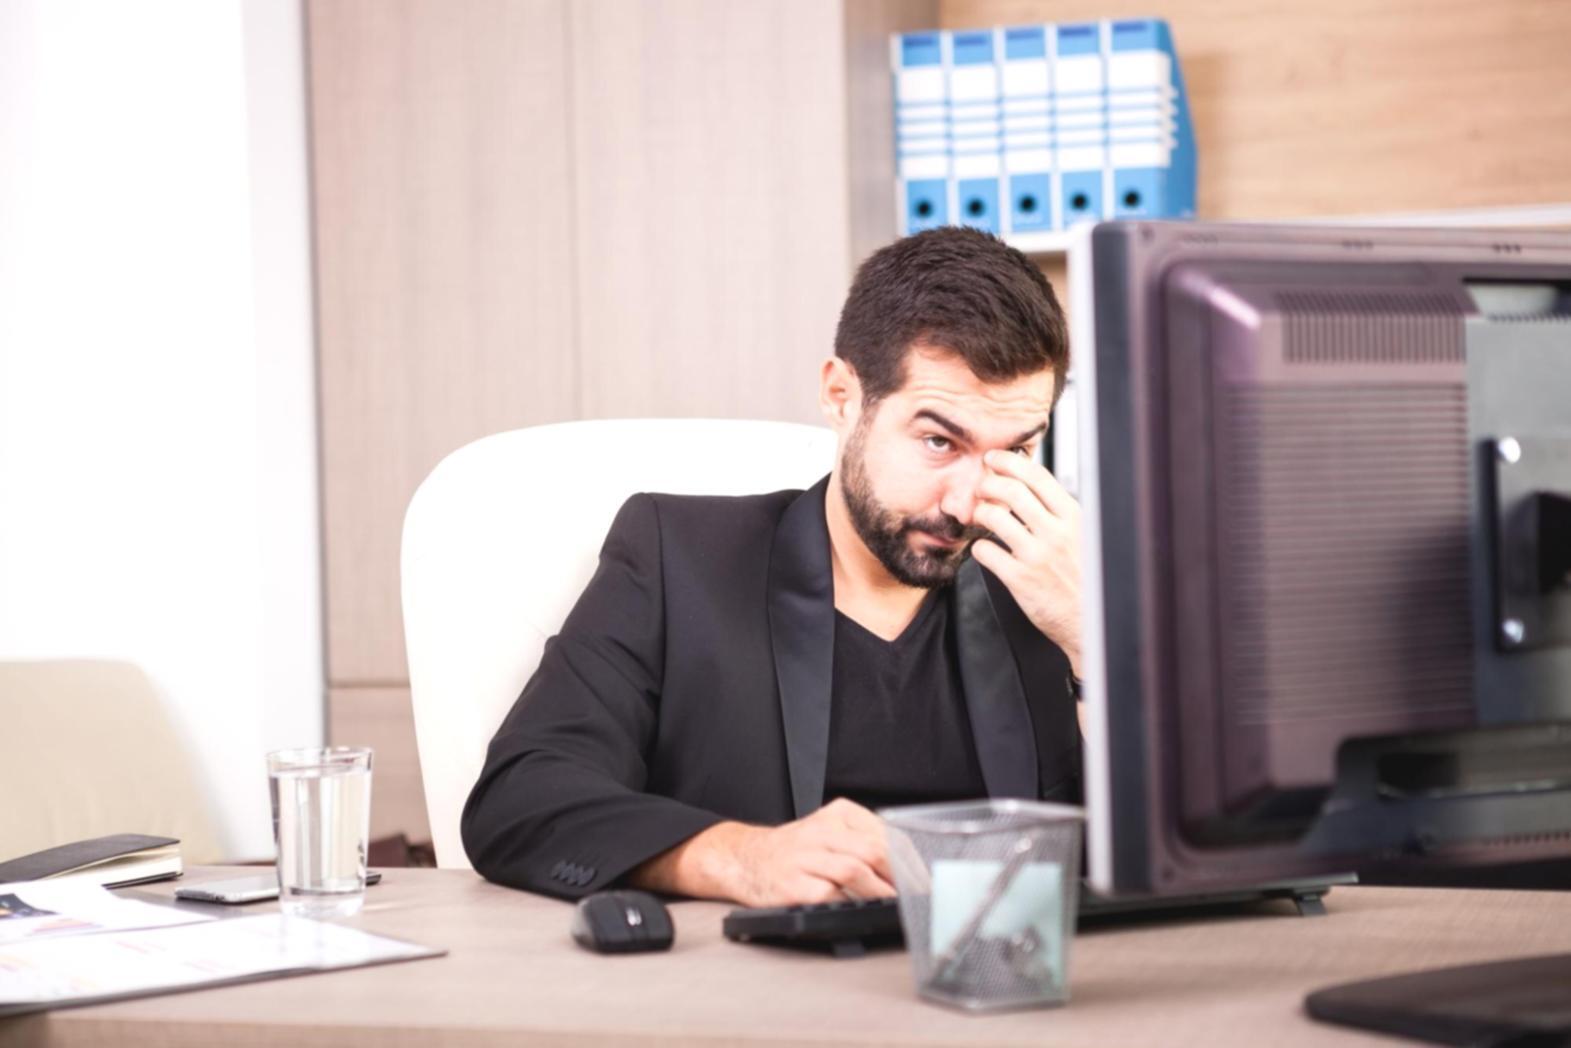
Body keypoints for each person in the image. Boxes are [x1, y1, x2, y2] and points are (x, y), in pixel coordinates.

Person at [462, 226, 1082, 906]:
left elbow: (1184, 838)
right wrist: (737, 857)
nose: (968, 505)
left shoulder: (1055, 587)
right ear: (842, 396)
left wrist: (1093, 642)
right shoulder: (678, 557)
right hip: (753, 994)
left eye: (1014, 453)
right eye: (937, 441)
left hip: (997, 983)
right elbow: (521, 798)